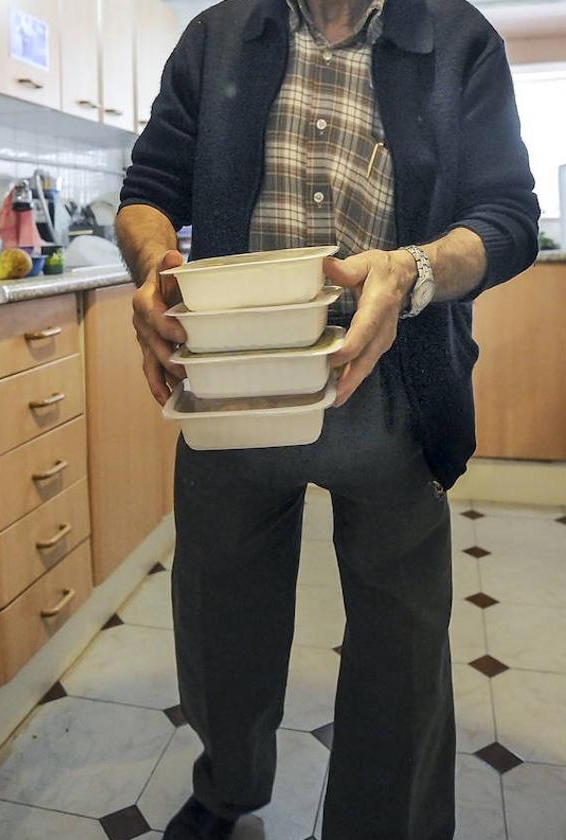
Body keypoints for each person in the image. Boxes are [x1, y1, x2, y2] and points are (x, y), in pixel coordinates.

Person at [115, 0, 540, 836]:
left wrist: (413, 269)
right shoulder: (216, 36)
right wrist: (155, 265)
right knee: (219, 615)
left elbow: (509, 217)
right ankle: (227, 789)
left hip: (394, 383)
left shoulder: (461, 41)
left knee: (401, 643)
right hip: (229, 381)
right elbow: (148, 189)